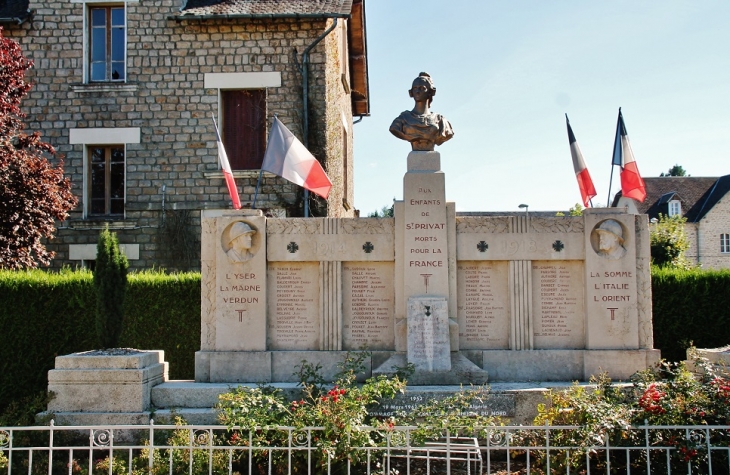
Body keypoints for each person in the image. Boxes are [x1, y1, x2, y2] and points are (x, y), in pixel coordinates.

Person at [389, 72, 454, 151]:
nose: (417, 91)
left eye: (422, 88)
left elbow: (448, 134)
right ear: (411, 92)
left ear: (431, 92)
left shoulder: (440, 120)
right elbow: (393, 129)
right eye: (415, 88)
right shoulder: (403, 118)